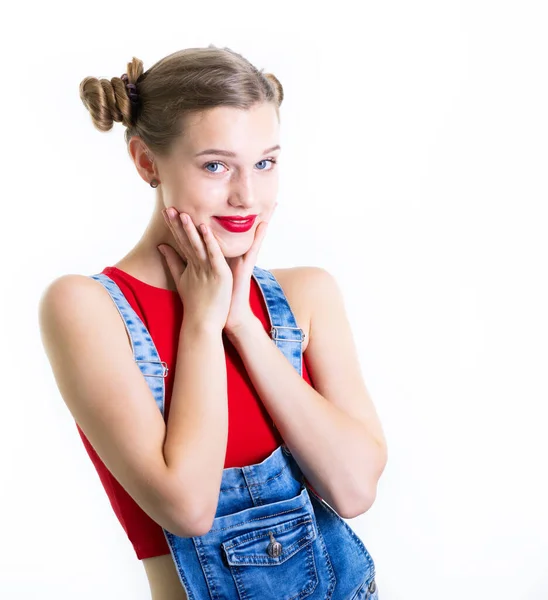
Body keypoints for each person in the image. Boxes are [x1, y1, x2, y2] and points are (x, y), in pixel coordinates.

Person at [39, 45, 387, 599]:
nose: (246, 195)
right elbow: (188, 506)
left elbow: (354, 490)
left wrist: (243, 324)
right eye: (216, 165)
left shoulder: (305, 296)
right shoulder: (87, 308)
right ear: (146, 161)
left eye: (265, 163)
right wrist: (201, 325)